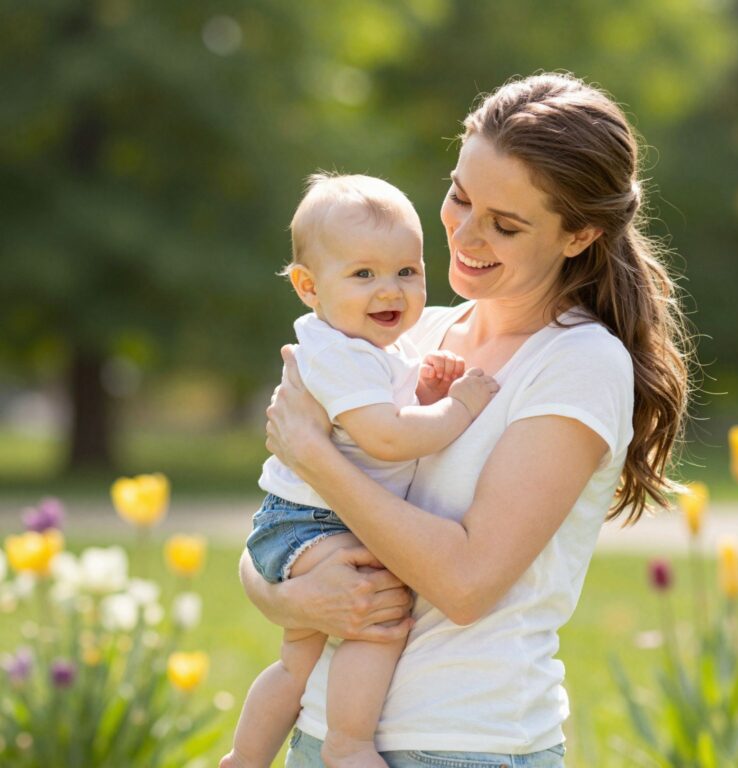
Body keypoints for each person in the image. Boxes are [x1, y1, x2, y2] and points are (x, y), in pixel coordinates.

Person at [245, 72, 690, 768]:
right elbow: (279, 531)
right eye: (460, 196)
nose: (465, 232)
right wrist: (293, 601)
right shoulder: (404, 335)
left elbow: (466, 584)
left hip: (466, 743)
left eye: (505, 224)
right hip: (326, 735)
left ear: (579, 235)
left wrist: (316, 456)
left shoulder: (579, 364)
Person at [222, 173, 499, 768]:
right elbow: (387, 437)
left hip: (294, 521)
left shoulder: (379, 348)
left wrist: (422, 389)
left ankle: (243, 760)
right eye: (363, 274)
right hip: (311, 522)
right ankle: (348, 744)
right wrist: (460, 406)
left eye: (407, 271)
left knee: (296, 662)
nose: (390, 291)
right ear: (308, 287)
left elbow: (384, 417)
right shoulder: (341, 353)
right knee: (379, 612)